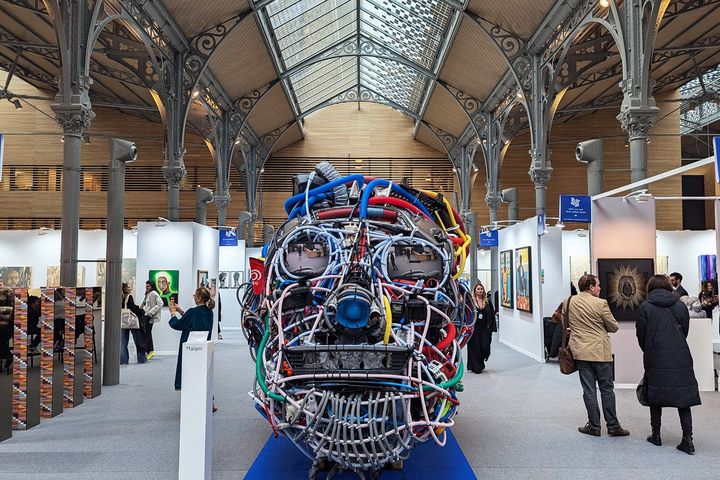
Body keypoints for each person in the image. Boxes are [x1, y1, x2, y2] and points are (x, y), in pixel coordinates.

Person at [637, 274, 701, 454]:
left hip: (655, 355)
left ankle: (655, 435)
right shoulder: (680, 305)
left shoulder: (645, 307)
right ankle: (687, 440)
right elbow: (684, 331)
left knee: (654, 395)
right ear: (668, 286)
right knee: (684, 398)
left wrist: (650, 348)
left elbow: (641, 336)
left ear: (650, 287)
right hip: (680, 355)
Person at [563, 274, 629, 437]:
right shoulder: (601, 304)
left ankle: (594, 426)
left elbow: (566, 323)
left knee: (589, 390)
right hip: (600, 352)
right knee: (606, 389)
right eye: (598, 285)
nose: (600, 288)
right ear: (591, 287)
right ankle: (613, 426)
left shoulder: (569, 302)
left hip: (580, 352)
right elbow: (613, 327)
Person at [168, 287, 214, 390]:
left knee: (188, 370)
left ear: (199, 298)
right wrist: (181, 312)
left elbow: (177, 324)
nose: (194, 298)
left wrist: (172, 314)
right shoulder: (209, 312)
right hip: (203, 345)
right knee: (201, 372)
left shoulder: (193, 312)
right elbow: (195, 322)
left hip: (190, 346)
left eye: (195, 296)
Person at [467, 282, 496, 373]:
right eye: (478, 289)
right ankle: (476, 366)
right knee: (474, 348)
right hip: (474, 329)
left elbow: (492, 315)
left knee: (485, 346)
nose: (480, 290)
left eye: (481, 289)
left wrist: (492, 328)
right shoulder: (471, 301)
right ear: (475, 291)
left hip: (485, 329)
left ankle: (482, 360)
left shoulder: (487, 301)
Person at [121, 283, 147, 365]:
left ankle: (123, 360)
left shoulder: (119, 297)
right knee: (138, 340)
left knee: (123, 342)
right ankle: (142, 359)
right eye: (128, 287)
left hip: (123, 321)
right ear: (124, 289)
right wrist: (141, 311)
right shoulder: (129, 296)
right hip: (131, 321)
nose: (130, 288)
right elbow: (132, 308)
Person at [140, 280, 164, 359]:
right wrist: (139, 310)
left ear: (152, 286)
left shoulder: (154, 293)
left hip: (148, 316)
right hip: (146, 316)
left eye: (148, 286)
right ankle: (149, 351)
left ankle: (150, 351)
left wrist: (151, 312)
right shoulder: (148, 294)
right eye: (146, 286)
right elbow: (144, 304)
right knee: (146, 333)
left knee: (147, 334)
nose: (146, 287)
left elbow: (161, 303)